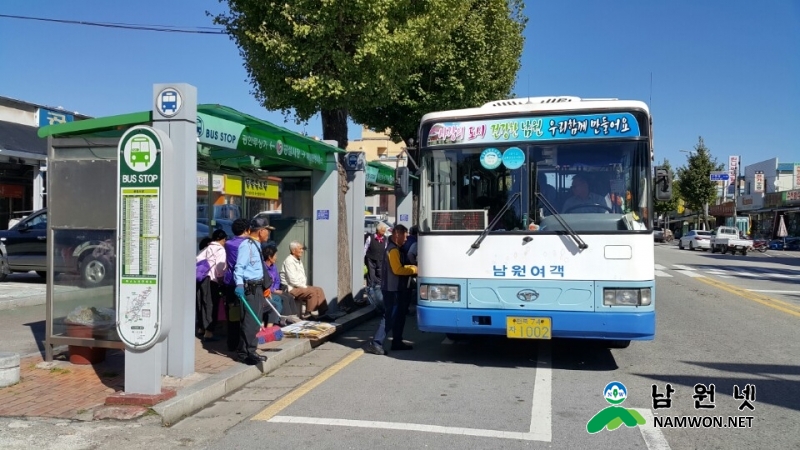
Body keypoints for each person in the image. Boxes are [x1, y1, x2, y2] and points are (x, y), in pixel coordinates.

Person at [363, 224, 417, 355]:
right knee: (389, 316)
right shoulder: (393, 250)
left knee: (399, 316)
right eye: (404, 237)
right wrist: (414, 269)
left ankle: (397, 341)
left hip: (397, 288)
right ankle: (376, 343)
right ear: (397, 234)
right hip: (392, 289)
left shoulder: (397, 249)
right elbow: (397, 269)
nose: (406, 240)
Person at [232, 217, 274, 365]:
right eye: (267, 230)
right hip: (249, 288)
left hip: (257, 287)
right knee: (250, 322)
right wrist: (239, 285)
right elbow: (239, 267)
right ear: (261, 231)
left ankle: (245, 351)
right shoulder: (247, 245)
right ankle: (248, 352)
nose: (268, 234)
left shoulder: (256, 245)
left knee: (253, 321)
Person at [222, 218, 251, 352]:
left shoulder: (228, 244)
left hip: (231, 283)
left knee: (232, 314)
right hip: (245, 282)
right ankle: (244, 343)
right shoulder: (249, 244)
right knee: (246, 315)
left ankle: (231, 343)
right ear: (246, 230)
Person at [280, 241, 329, 318]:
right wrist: (304, 286)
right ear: (293, 251)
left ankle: (323, 313)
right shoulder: (289, 261)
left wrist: (304, 286)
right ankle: (308, 314)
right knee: (312, 291)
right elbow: (293, 280)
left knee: (319, 289)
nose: (302, 250)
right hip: (291, 288)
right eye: (300, 249)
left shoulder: (298, 260)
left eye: (302, 249)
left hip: (300, 286)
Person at [196, 229, 227, 342]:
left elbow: (197, 259)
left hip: (201, 278)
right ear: (222, 239)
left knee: (201, 303)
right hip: (211, 279)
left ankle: (201, 328)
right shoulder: (220, 250)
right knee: (211, 304)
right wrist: (221, 279)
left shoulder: (207, 248)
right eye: (224, 239)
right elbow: (220, 267)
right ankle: (209, 332)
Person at [262, 243, 301, 326]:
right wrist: (273, 290)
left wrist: (275, 288)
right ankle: (285, 320)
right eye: (275, 255)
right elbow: (264, 283)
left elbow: (277, 280)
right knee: (284, 299)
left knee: (289, 297)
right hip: (267, 290)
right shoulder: (263, 267)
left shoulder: (274, 266)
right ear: (269, 257)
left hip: (275, 289)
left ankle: (294, 317)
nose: (276, 257)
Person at [363, 222, 389, 304]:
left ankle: (379, 295)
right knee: (371, 276)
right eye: (382, 232)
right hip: (371, 259)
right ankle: (371, 295)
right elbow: (365, 248)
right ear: (378, 231)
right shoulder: (370, 238)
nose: (383, 234)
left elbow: (386, 249)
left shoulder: (385, 239)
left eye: (384, 232)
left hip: (381, 260)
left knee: (380, 276)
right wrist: (363, 259)